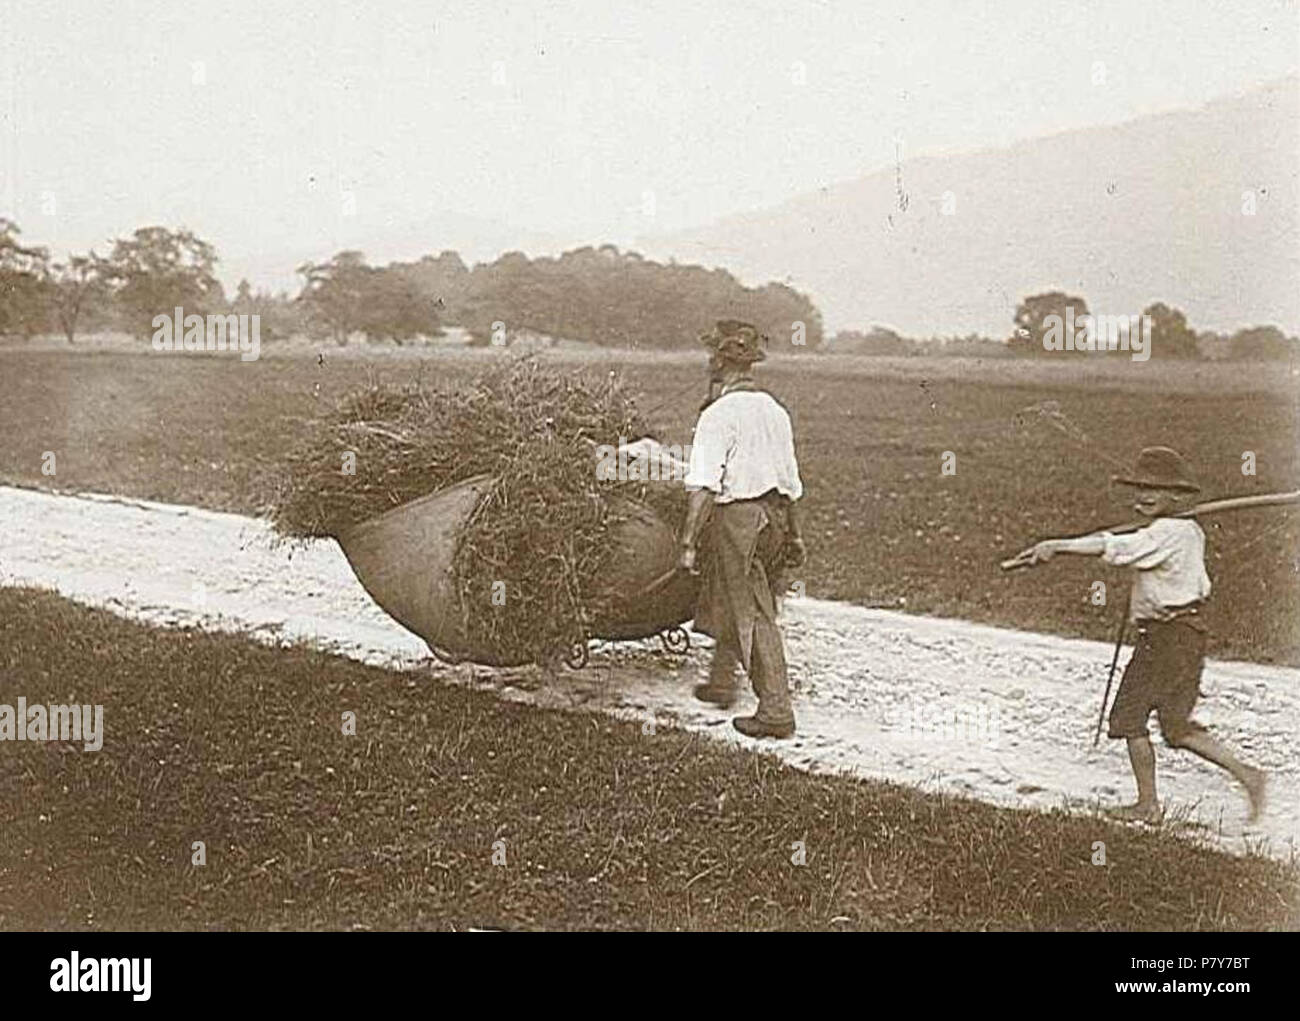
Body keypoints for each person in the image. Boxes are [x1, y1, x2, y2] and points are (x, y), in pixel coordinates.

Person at [1013, 446, 1266, 823]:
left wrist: (1058, 546)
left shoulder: (1168, 532)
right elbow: (1136, 550)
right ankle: (1248, 775)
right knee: (1177, 728)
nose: (1145, 495)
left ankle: (1148, 805)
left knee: (1129, 718)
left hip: (1166, 639)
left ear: (1177, 495)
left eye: (1156, 489)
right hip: (1186, 637)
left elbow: (1117, 547)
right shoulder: (1185, 530)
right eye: (1140, 488)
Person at [678, 320, 806, 739]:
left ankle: (775, 711)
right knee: (730, 596)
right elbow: (790, 484)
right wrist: (795, 536)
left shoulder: (718, 415)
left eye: (712, 355)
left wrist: (688, 543)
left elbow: (703, 487)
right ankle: (720, 685)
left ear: (719, 361)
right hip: (776, 518)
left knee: (751, 611)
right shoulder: (775, 410)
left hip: (742, 522)